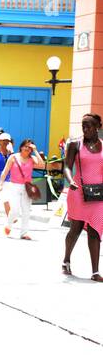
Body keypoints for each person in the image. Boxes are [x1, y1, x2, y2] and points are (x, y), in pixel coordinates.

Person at [63, 113, 103, 281]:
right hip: (78, 191)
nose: (85, 129)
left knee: (95, 231)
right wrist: (71, 180)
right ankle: (66, 260)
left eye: (89, 126)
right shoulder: (75, 144)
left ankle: (95, 272)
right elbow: (66, 166)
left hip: (98, 194)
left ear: (98, 127)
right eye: (83, 126)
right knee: (76, 229)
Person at [0, 138, 44, 240]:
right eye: (25, 146)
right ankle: (9, 225)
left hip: (27, 187)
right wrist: (0, 184)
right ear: (21, 147)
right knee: (14, 210)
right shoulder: (13, 157)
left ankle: (24, 233)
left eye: (30, 147)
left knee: (26, 211)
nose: (27, 149)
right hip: (14, 186)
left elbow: (42, 165)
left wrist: (35, 150)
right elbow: (5, 171)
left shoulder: (32, 159)